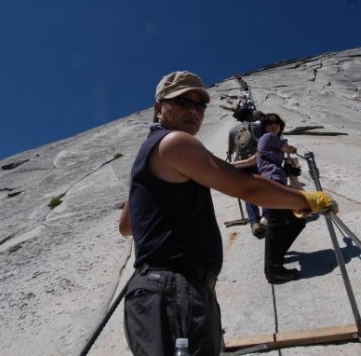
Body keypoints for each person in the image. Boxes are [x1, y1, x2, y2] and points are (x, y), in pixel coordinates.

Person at [118, 71, 335, 356]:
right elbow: (247, 188)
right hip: (174, 292)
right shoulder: (175, 142)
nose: (193, 110)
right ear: (159, 109)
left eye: (200, 105)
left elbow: (126, 226)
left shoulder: (147, 155)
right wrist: (304, 199)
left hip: (157, 294)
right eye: (183, 101)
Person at [256, 113, 306, 283]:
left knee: (297, 221)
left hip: (276, 183)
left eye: (276, 122)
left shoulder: (266, 142)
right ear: (264, 126)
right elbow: (289, 150)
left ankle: (277, 254)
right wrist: (290, 150)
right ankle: (273, 268)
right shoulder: (269, 137)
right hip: (272, 184)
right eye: (269, 123)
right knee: (276, 224)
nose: (273, 125)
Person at [227, 107, 266, 236]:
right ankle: (265, 218)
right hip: (256, 162)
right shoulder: (254, 126)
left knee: (248, 193)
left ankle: (254, 222)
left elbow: (231, 149)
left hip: (241, 165)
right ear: (249, 115)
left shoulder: (233, 130)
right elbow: (261, 143)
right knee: (264, 188)